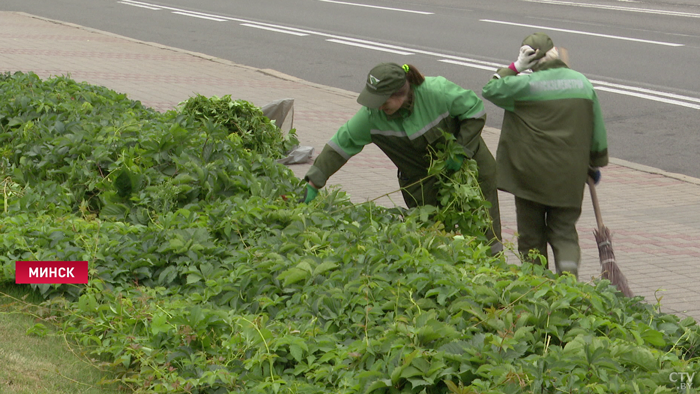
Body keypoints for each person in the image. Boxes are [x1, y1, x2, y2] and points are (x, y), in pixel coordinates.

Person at [301, 62, 502, 252]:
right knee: (434, 242)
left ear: (400, 94)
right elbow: (341, 144)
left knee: (483, 234)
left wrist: (461, 150)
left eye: (383, 102)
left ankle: (494, 274)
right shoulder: (372, 115)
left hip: (471, 175)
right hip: (423, 187)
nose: (378, 107)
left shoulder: (437, 92)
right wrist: (314, 181)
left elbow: (474, 111)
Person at [481, 33, 609, 277]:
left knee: (531, 236)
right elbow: (597, 130)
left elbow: (490, 89)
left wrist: (514, 68)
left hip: (529, 176)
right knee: (564, 233)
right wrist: (595, 164)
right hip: (569, 177)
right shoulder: (582, 83)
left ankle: (536, 289)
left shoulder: (524, 86)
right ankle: (568, 284)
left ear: (529, 59)